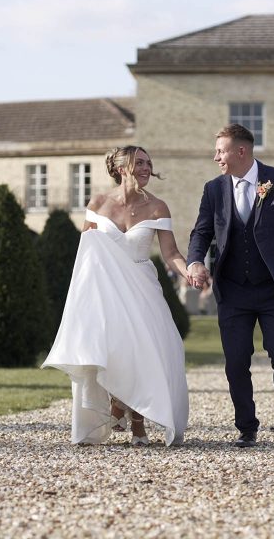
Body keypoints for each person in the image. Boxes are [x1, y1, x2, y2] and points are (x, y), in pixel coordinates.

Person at [187, 123, 274, 448]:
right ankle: (246, 427)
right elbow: (201, 231)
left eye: (220, 151)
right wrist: (195, 261)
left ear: (241, 151)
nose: (216, 157)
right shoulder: (213, 189)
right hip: (233, 290)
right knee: (236, 362)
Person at [43, 146, 190, 446]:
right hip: (104, 292)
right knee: (110, 351)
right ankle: (118, 406)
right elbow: (86, 252)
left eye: (149, 163)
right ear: (122, 169)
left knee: (145, 351)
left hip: (141, 288)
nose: (147, 168)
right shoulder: (98, 203)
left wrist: (189, 271)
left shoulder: (158, 207)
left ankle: (135, 418)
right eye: (140, 163)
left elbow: (171, 253)